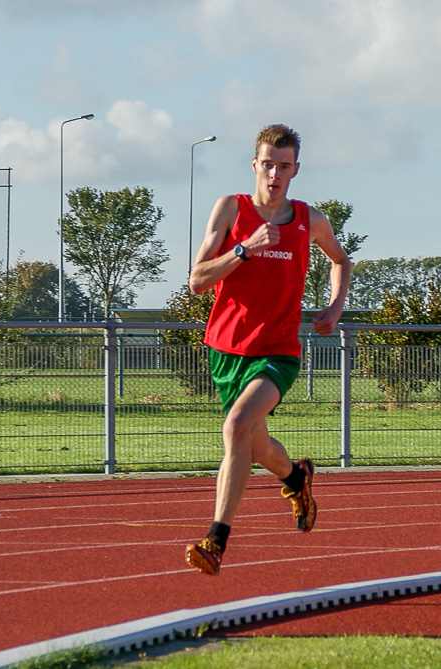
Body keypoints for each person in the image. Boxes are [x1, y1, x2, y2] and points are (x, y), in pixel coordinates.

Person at [184, 123, 352, 575]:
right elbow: (197, 281)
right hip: (226, 348)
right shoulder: (230, 209)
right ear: (254, 165)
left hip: (278, 352)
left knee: (236, 427)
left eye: (284, 166)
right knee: (256, 446)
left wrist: (334, 309)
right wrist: (244, 249)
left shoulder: (308, 220)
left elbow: (341, 260)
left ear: (296, 169)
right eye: (268, 164)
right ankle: (296, 478)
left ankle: (215, 541)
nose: (275, 174)